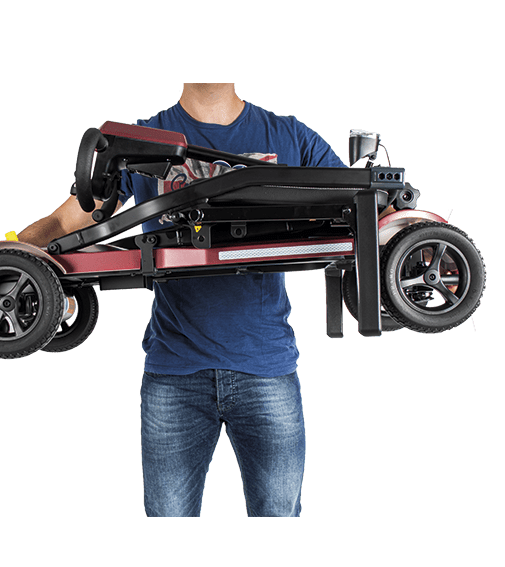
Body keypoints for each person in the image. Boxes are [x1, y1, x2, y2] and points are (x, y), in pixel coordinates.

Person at [19, 83, 346, 517]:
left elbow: (364, 203)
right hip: (174, 373)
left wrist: (415, 239)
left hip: (267, 367)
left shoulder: (290, 136)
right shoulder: (140, 141)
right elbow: (65, 222)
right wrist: (11, 256)